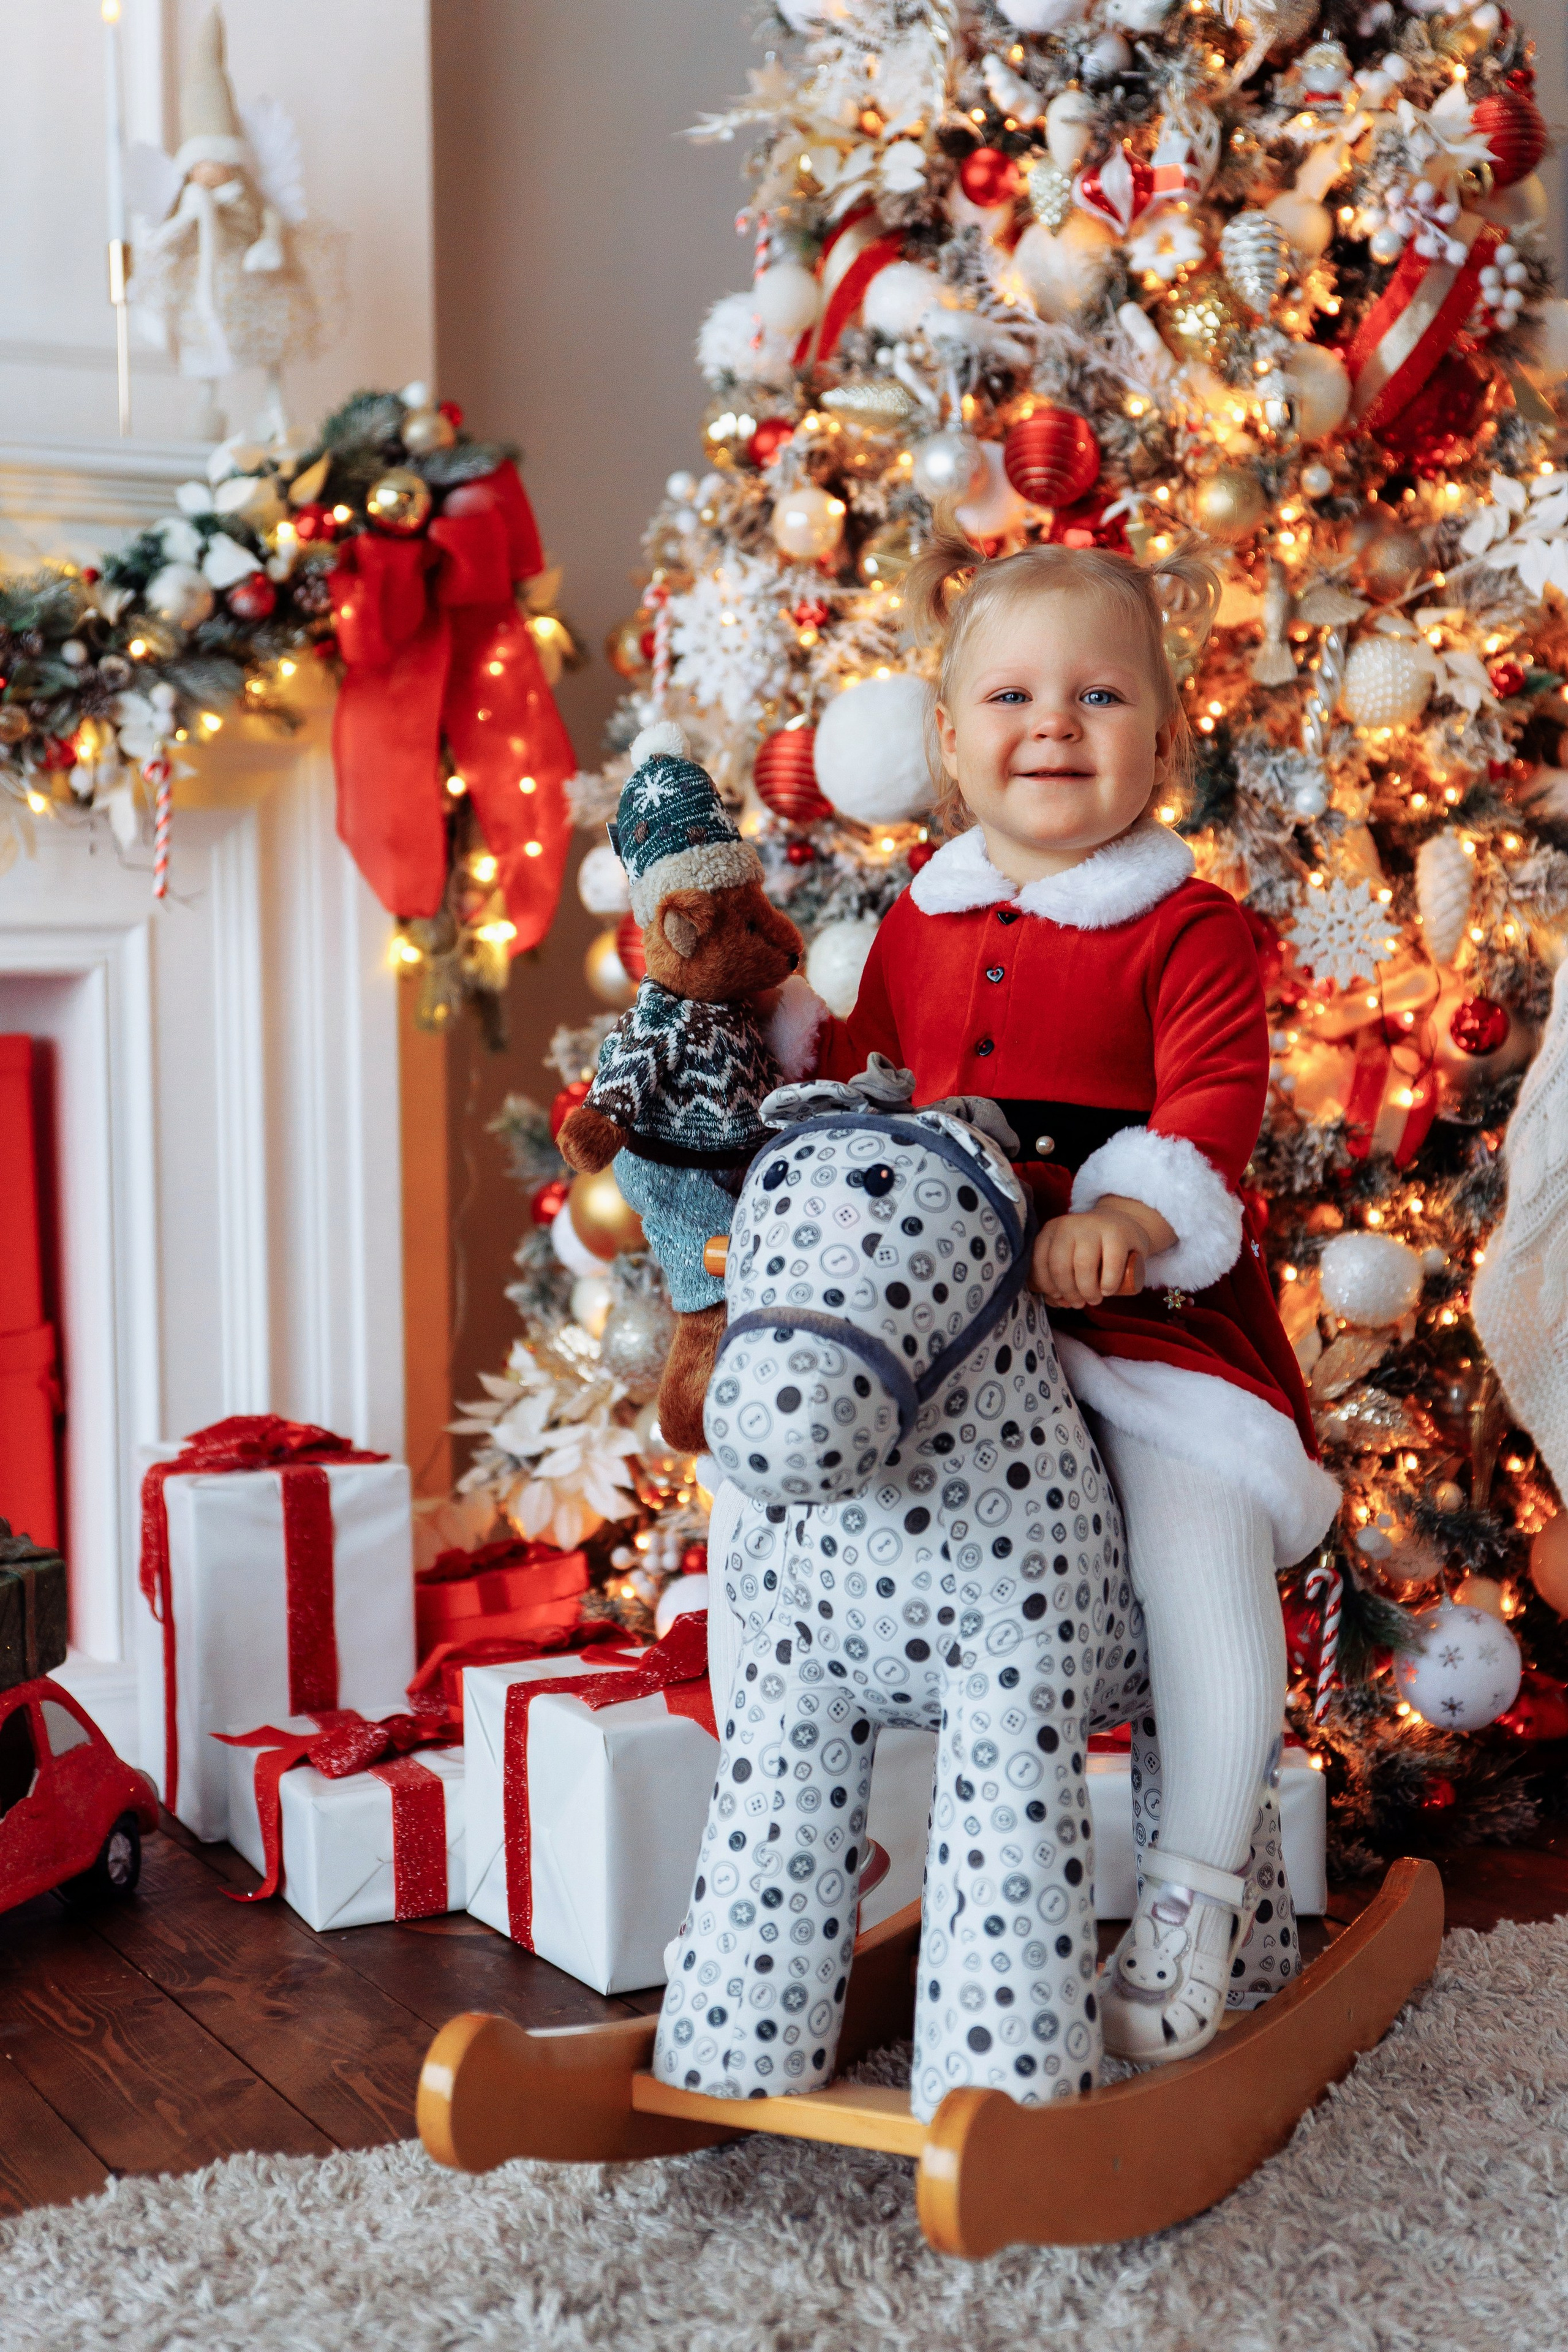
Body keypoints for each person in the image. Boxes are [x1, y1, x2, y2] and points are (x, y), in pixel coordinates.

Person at [806, 520, 1340, 2064]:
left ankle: (1190, 1893)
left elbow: (1210, 1115)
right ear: (947, 744)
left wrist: (1124, 1211)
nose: (1054, 724)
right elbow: (861, 1091)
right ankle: (851, 1855)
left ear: (1162, 741)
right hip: (953, 1336)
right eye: (1013, 700)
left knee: (1194, 1561)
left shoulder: (1188, 928)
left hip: (1143, 1324)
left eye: (1099, 700)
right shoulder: (916, 917)